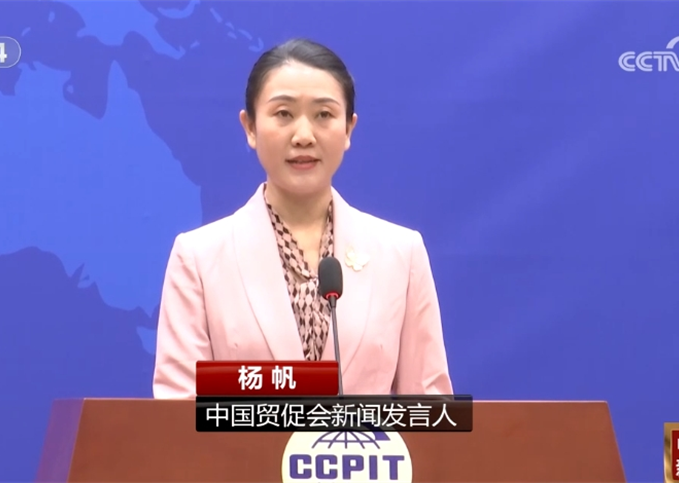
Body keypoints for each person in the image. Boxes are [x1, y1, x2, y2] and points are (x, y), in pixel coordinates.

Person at [152, 38, 453, 398]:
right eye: (283, 114)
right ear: (250, 127)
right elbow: (180, 410)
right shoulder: (198, 258)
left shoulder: (401, 254)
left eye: (324, 115)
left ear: (349, 129)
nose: (304, 136)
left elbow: (429, 408)